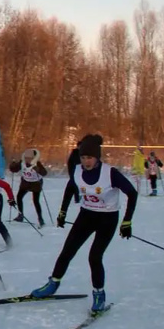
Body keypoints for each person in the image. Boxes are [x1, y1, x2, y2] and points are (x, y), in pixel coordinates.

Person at [30, 134, 138, 313]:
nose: (86, 161)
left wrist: (127, 221)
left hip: (107, 218)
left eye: (90, 157)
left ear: (97, 157)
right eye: (83, 157)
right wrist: (63, 211)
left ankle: (99, 293)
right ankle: (53, 283)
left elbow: (132, 193)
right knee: (67, 251)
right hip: (86, 215)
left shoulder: (110, 173)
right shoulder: (78, 170)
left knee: (94, 257)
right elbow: (71, 187)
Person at [9, 148, 48, 227]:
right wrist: (12, 166)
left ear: (33, 158)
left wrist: (38, 169)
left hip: (36, 183)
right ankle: (20, 215)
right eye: (26, 158)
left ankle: (40, 219)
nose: (27, 159)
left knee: (36, 201)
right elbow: (15, 169)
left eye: (29, 158)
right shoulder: (22, 163)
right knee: (19, 197)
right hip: (26, 182)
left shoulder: (36, 163)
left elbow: (44, 173)